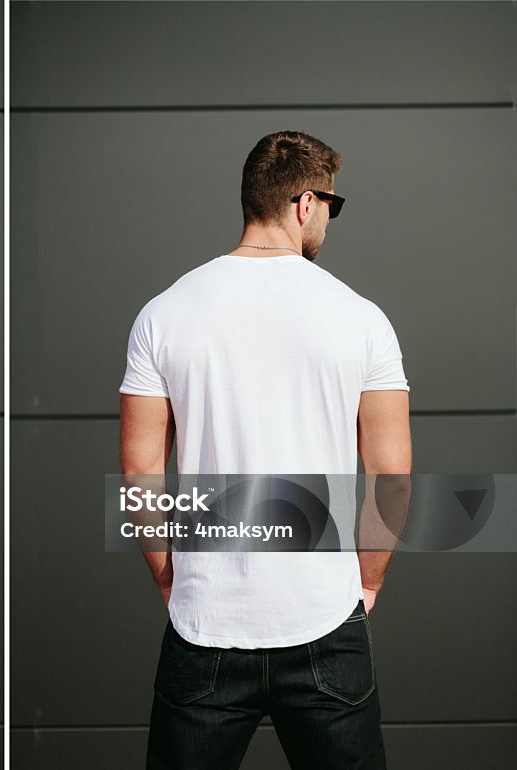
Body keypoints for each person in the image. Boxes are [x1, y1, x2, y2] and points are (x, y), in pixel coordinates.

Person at [119, 131, 411, 769]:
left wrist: (170, 576)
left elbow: (142, 471)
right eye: (330, 209)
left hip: (205, 625)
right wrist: (365, 581)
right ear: (305, 204)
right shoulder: (363, 318)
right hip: (326, 622)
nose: (327, 224)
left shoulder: (163, 315)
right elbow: (391, 475)